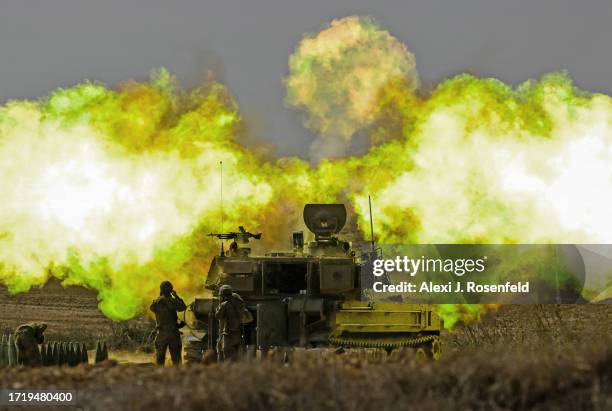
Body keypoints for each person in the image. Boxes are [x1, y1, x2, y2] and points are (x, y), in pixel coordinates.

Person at [150, 280, 187, 365]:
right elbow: (183, 307)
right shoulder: (173, 301)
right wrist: (176, 296)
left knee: (159, 361)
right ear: (170, 290)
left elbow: (152, 308)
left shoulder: (156, 302)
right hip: (173, 334)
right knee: (177, 361)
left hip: (161, 333)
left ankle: (160, 376)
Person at [215, 285, 250, 362]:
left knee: (226, 355)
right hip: (239, 333)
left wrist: (218, 308)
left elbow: (218, 316)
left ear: (222, 295)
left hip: (228, 334)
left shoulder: (224, 305)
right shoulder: (239, 303)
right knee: (238, 357)